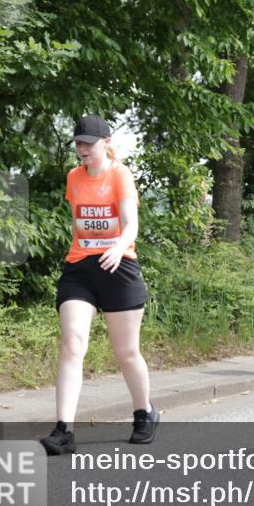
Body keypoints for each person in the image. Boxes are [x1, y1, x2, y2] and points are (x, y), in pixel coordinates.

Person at [40, 115, 158, 456]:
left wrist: (118, 248)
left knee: (126, 353)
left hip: (119, 267)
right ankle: (64, 430)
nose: (82, 149)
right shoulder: (73, 177)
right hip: (80, 269)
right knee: (72, 343)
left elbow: (130, 223)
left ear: (106, 142)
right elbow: (79, 223)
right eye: (78, 143)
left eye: (89, 143)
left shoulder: (120, 175)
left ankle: (144, 412)